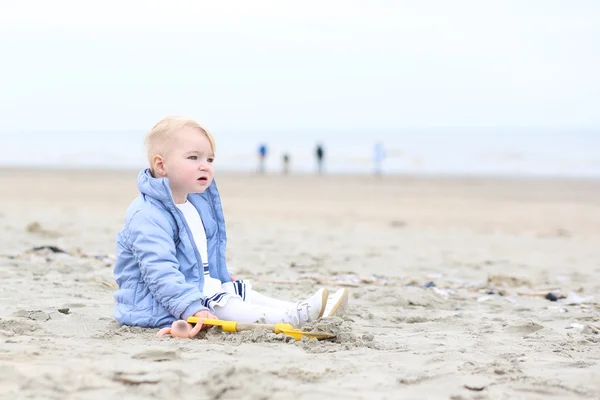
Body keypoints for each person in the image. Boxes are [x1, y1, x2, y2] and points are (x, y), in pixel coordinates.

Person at [113, 115, 348, 335]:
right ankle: (289, 317)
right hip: (156, 305)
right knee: (225, 304)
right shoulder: (147, 214)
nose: (205, 165)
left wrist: (220, 276)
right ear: (162, 165)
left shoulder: (193, 203)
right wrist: (189, 307)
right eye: (193, 158)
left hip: (194, 288)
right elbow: (159, 271)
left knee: (238, 292)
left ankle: (298, 309)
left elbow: (198, 258)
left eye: (210, 159)